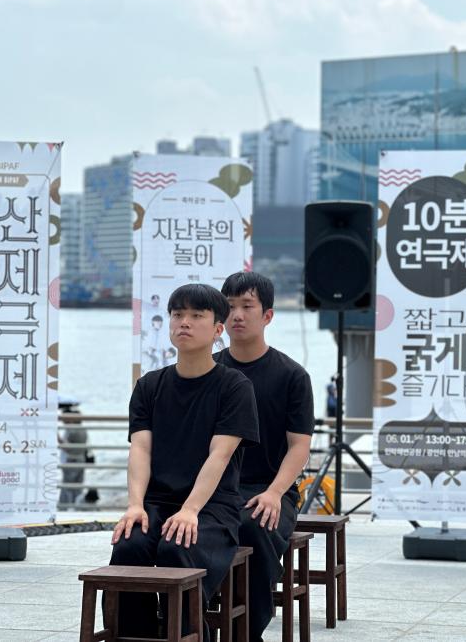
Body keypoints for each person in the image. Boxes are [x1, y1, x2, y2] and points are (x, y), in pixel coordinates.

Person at [109, 283, 260, 639]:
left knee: (177, 546)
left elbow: (220, 455)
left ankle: (188, 635)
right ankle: (137, 637)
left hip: (212, 508)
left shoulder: (234, 387)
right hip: (157, 503)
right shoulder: (149, 386)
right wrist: (135, 505)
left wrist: (191, 509)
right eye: (177, 314)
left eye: (196, 315)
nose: (184, 323)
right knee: (129, 545)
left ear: (218, 329)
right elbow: (140, 449)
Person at [215, 272, 314, 642]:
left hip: (271, 488)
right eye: (229, 306)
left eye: (247, 306)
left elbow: (299, 446)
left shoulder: (292, 376)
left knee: (255, 526)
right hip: (214, 488)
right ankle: (185, 624)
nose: (237, 315)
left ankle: (245, 632)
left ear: (267, 315)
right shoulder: (209, 369)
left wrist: (274, 492)